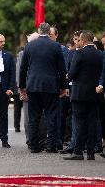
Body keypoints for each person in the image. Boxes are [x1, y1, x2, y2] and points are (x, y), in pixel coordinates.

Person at [19, 22, 67, 153]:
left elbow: (23, 68)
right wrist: (63, 87)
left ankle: (34, 146)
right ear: (48, 31)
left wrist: (22, 86)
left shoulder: (29, 46)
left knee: (34, 117)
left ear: (39, 30)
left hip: (33, 86)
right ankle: (51, 146)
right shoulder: (56, 46)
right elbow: (62, 69)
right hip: (51, 86)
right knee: (52, 116)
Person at [64, 30, 104, 160]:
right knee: (92, 122)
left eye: (80, 39)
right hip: (94, 93)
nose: (78, 42)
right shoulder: (100, 54)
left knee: (79, 122)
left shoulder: (79, 53)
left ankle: (78, 151)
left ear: (84, 40)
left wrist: (67, 78)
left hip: (80, 93)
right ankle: (91, 152)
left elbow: (73, 72)